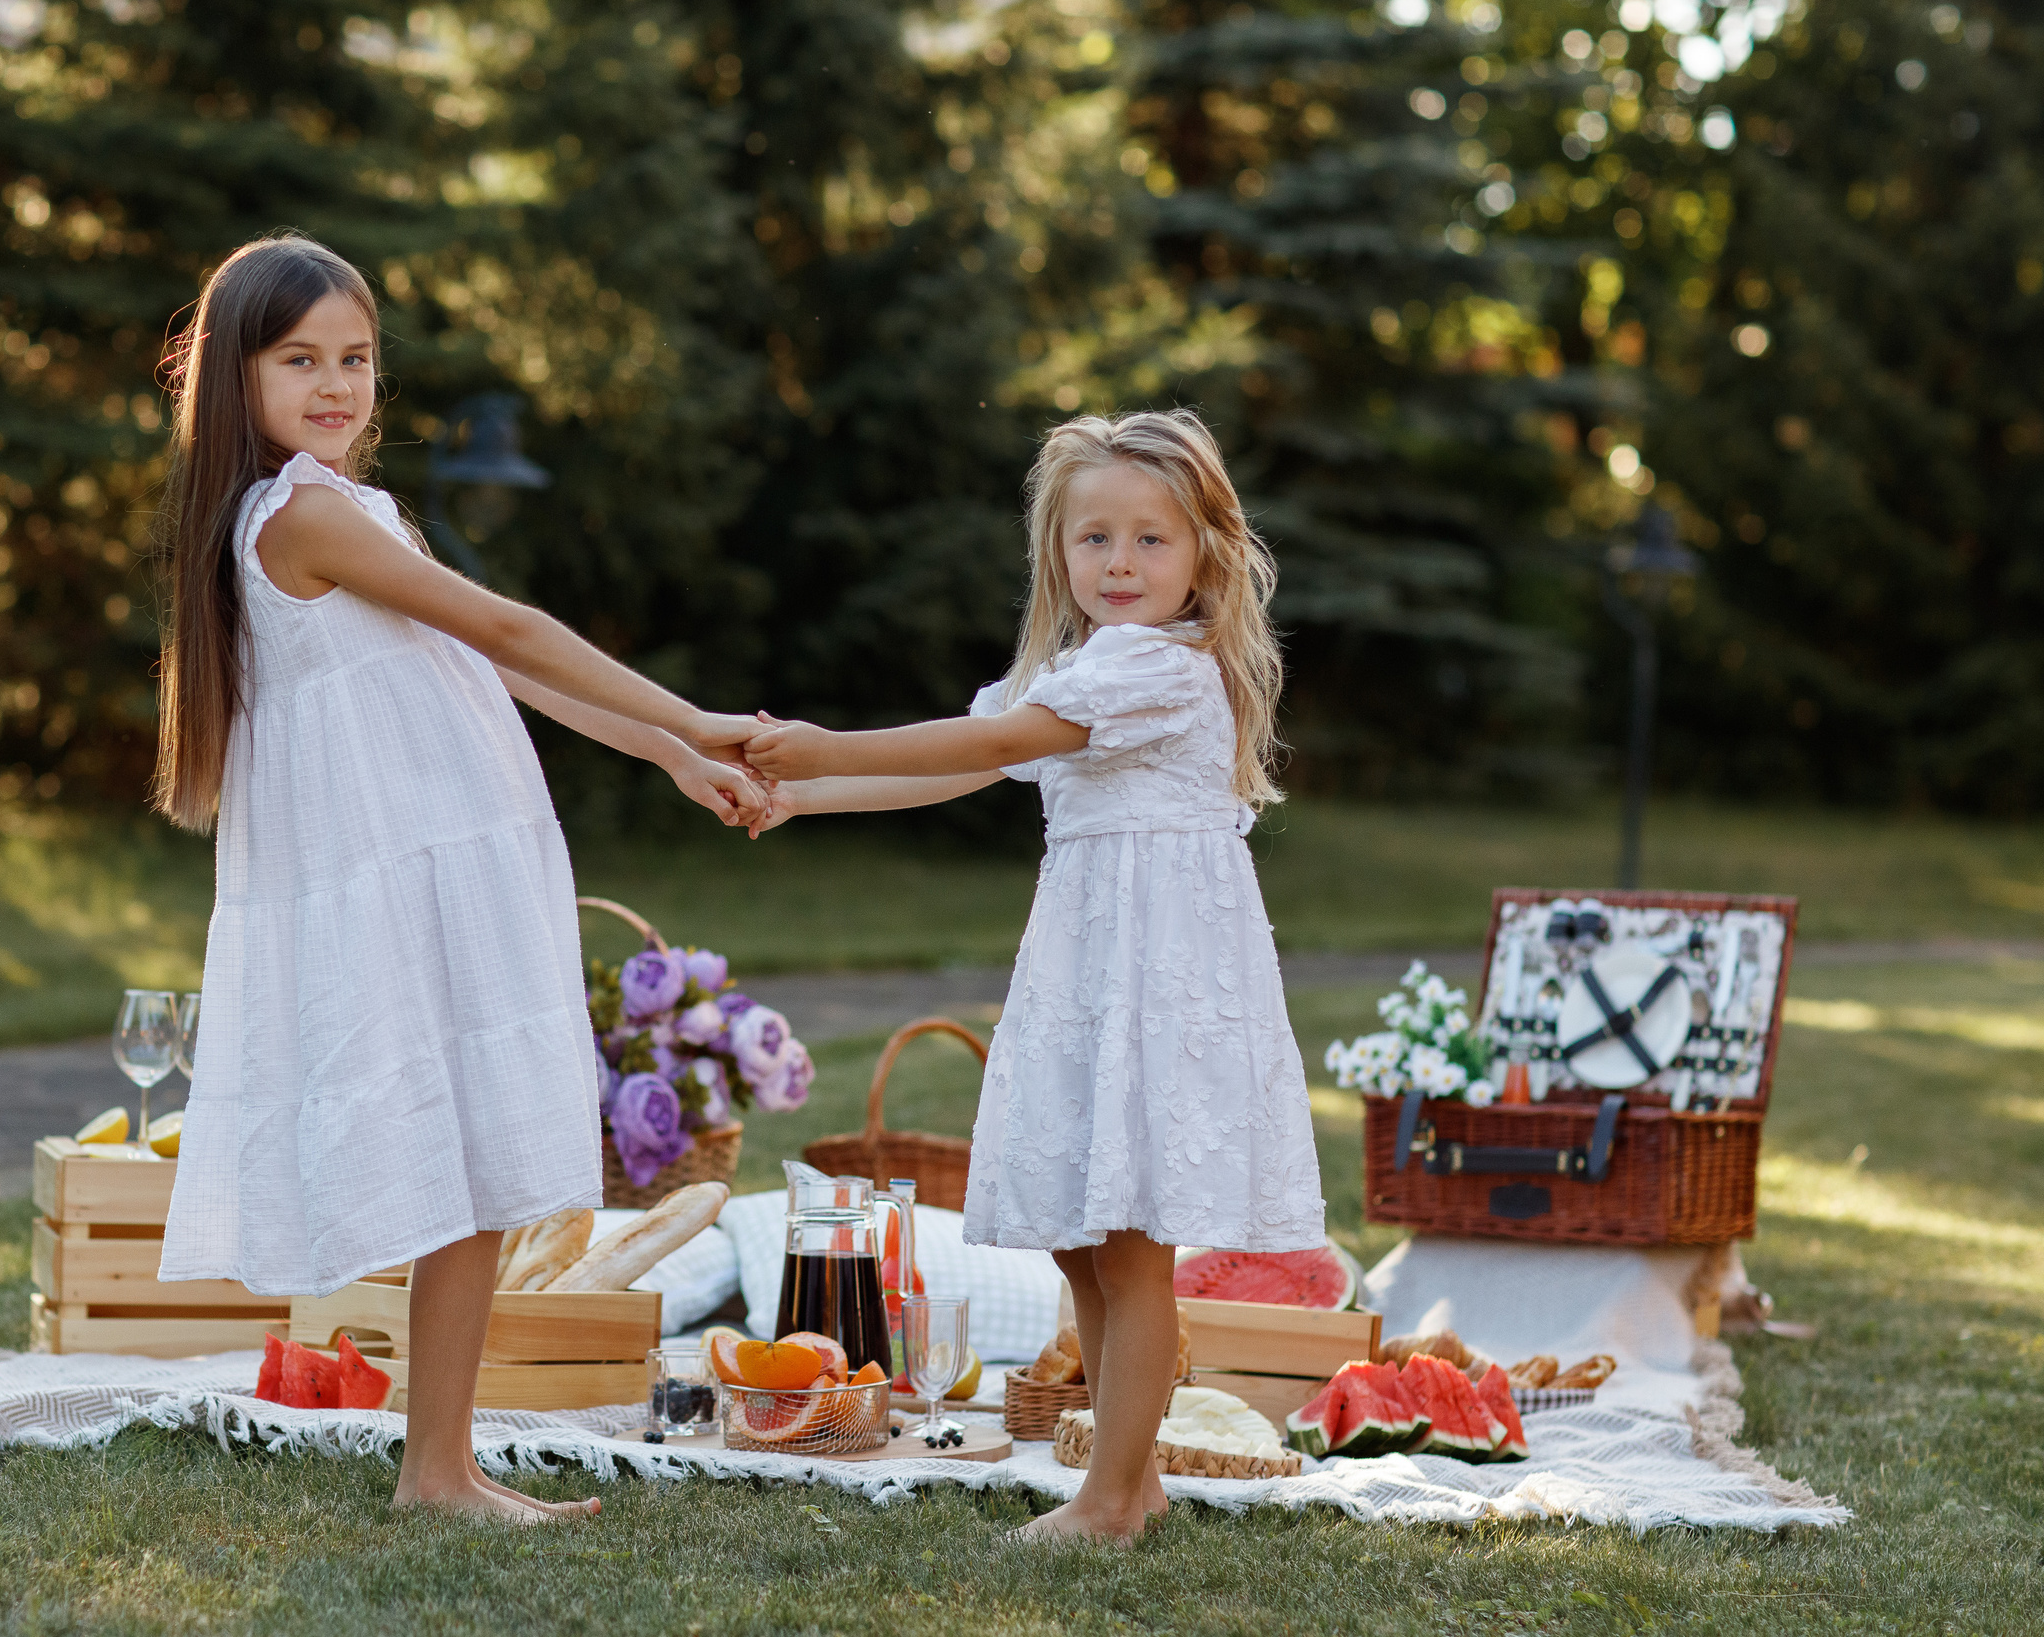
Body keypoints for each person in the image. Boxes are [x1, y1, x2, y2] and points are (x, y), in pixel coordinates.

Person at [148, 233, 768, 1522]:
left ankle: (443, 1466)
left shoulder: (347, 506)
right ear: (234, 380)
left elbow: (504, 671)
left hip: (450, 857)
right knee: (459, 1159)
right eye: (299, 358)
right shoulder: (301, 514)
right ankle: (435, 1467)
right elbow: (510, 626)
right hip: (407, 871)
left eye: (358, 358)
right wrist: (703, 717)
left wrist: (664, 754)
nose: (336, 384)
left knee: (478, 1163)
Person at [743, 410, 1327, 1541]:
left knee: (1130, 1241)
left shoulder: (1164, 668)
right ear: (1056, 552)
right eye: (1092, 538)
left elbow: (978, 748)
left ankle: (1110, 1497)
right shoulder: (1080, 668)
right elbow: (960, 771)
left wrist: (826, 744)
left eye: (1151, 541)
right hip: (1087, 962)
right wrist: (803, 793)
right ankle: (1128, 1481)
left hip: (1154, 977)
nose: (1118, 563)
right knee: (1081, 1232)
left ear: (1206, 551)